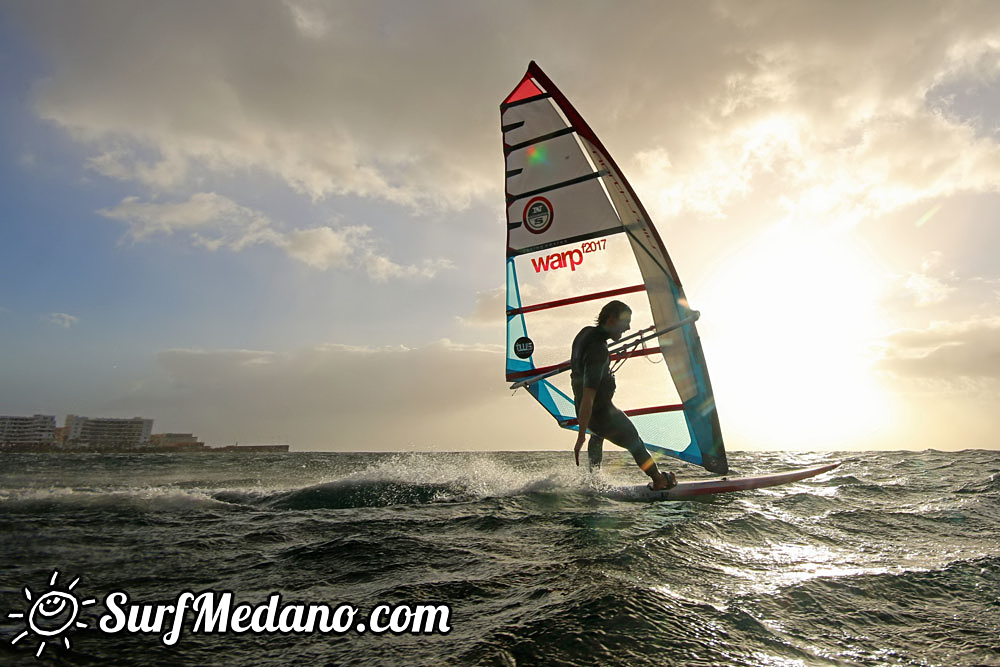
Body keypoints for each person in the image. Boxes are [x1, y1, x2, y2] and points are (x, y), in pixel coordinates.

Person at [571, 300, 676, 490]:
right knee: (634, 442)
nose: (628, 328)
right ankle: (659, 480)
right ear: (611, 320)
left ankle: (594, 481)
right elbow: (589, 395)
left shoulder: (585, 333)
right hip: (602, 413)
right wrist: (580, 435)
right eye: (625, 322)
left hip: (586, 411)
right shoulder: (598, 350)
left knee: (597, 436)